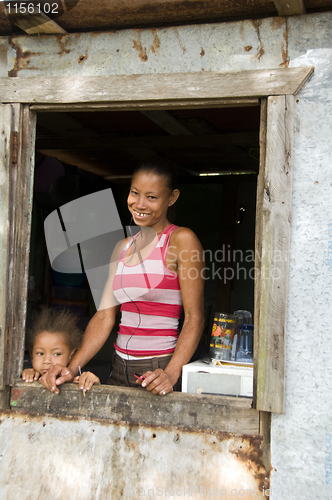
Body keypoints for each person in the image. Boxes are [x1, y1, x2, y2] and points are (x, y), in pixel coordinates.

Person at [40, 157, 205, 396]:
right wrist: (72, 367)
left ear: (172, 198)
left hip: (157, 371)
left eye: (152, 197)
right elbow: (105, 316)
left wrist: (171, 373)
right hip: (118, 368)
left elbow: (195, 318)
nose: (139, 203)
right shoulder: (123, 247)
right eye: (135, 193)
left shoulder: (181, 240)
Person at [23, 307, 100, 393]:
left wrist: (91, 381)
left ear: (71, 355)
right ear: (31, 355)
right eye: (40, 353)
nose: (47, 361)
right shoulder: (32, 376)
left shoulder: (78, 380)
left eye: (56, 354)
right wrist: (26, 377)